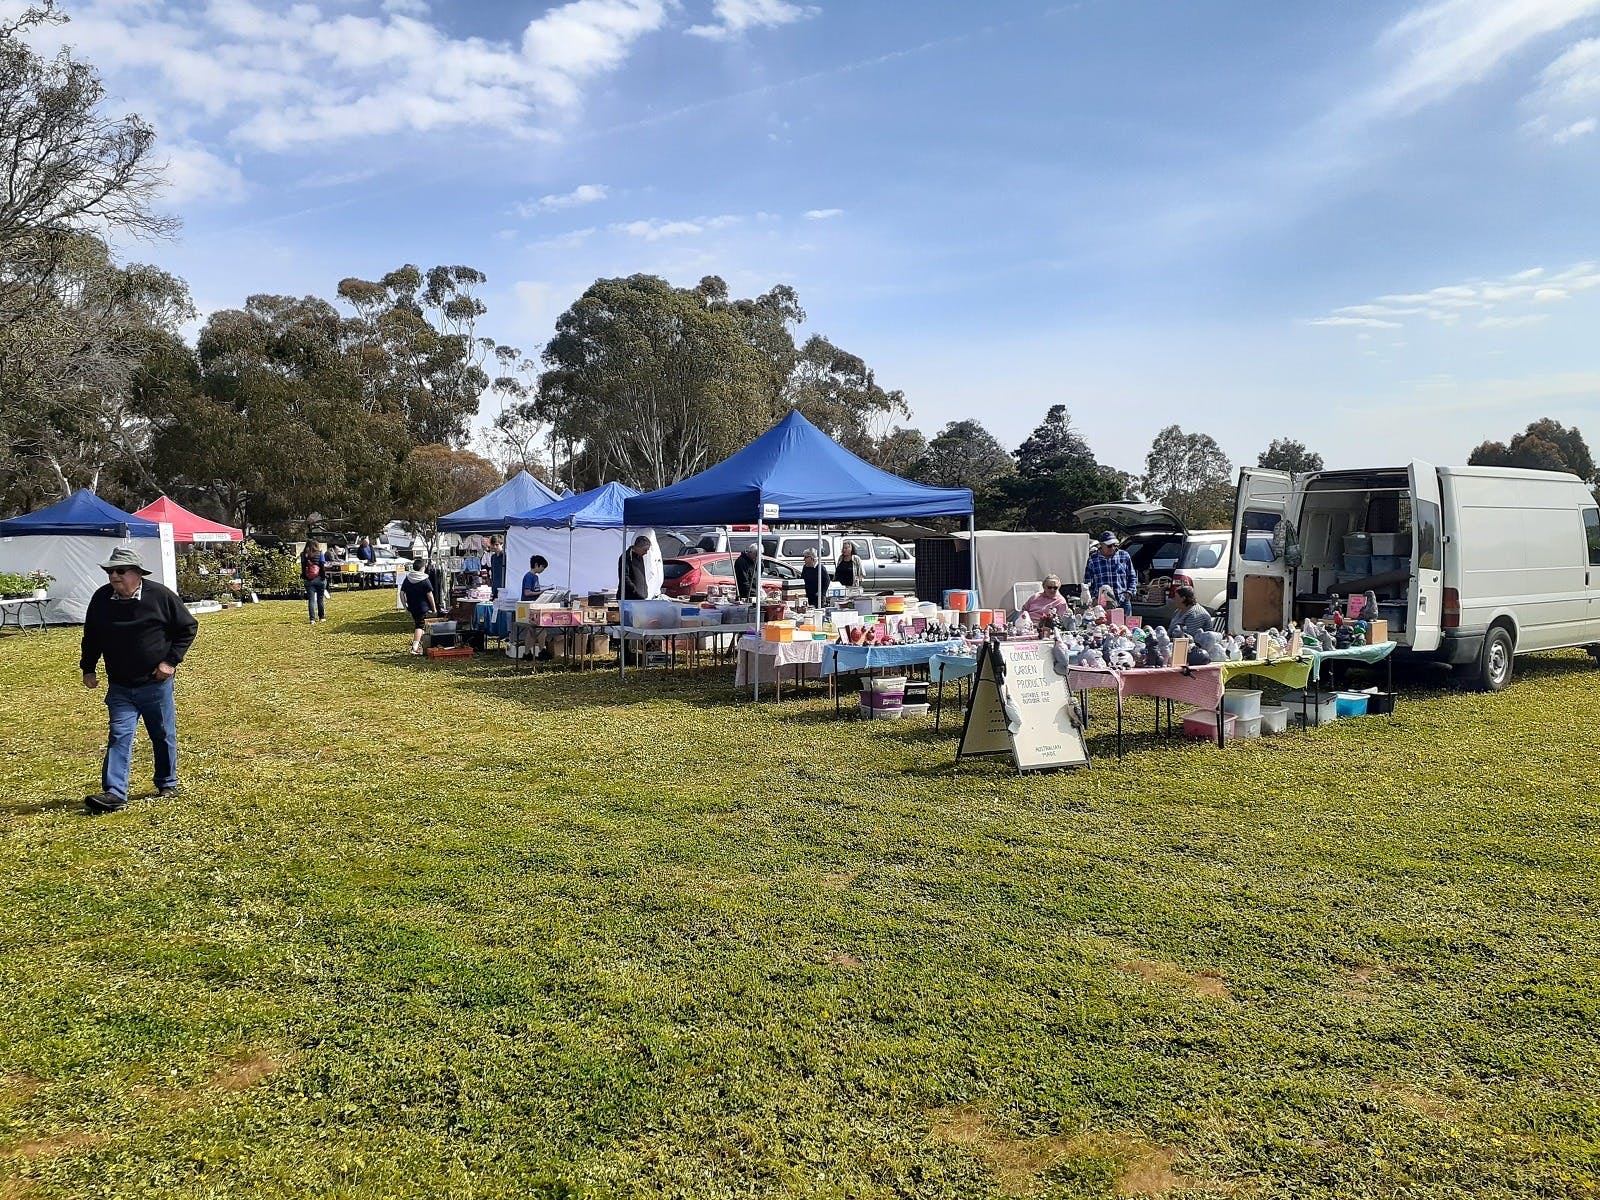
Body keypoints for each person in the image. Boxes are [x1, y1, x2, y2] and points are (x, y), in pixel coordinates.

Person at [78, 546, 199, 814]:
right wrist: (88, 667)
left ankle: (167, 783)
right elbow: (92, 636)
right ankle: (114, 793)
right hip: (120, 684)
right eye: (110, 571)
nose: (114, 576)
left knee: (162, 734)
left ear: (137, 574)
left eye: (120, 571)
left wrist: (170, 662)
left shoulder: (160, 596)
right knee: (119, 736)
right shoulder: (101, 599)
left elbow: (188, 627)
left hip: (155, 683)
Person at [1084, 531, 1137, 610]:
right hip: (1102, 604)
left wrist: (1129, 593)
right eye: (1109, 545)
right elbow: (1088, 582)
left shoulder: (1124, 556)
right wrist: (1094, 598)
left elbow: (1132, 576)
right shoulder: (1093, 559)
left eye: (1114, 545)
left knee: (1125, 622)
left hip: (1122, 601)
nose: (1112, 548)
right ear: (1101, 545)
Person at [401, 558, 438, 655]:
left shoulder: (408, 578)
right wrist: (434, 608)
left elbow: (402, 593)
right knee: (420, 626)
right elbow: (430, 595)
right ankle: (415, 648)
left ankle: (421, 644)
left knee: (419, 624)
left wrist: (405, 605)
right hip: (423, 606)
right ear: (423, 568)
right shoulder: (424, 579)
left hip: (412, 606)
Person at [301, 540, 329, 623]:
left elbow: (303, 568)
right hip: (319, 578)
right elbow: (322, 566)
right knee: (320, 599)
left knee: (311, 600)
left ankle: (312, 619)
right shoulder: (320, 553)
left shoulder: (303, 555)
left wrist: (305, 577)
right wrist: (323, 577)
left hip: (309, 580)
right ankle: (321, 617)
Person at [619, 535, 651, 600]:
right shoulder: (626, 557)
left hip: (640, 597)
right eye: (645, 550)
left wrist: (645, 591)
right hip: (629, 597)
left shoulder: (640, 557)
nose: (646, 553)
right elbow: (624, 577)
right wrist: (634, 590)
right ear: (638, 547)